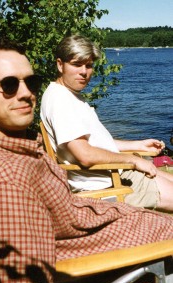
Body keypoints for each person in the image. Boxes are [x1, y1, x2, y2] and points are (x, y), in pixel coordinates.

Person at [0, 39, 173, 283]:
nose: (26, 93)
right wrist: (133, 160)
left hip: (109, 222)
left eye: (31, 82)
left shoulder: (21, 151)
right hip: (127, 248)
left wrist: (134, 149)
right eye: (8, 85)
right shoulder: (4, 186)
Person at [41, 34, 173, 212]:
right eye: (76, 64)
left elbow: (95, 143)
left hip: (115, 174)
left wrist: (137, 144)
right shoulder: (61, 101)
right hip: (107, 185)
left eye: (89, 65)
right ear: (60, 64)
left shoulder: (67, 95)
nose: (84, 72)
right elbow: (85, 155)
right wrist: (133, 160)